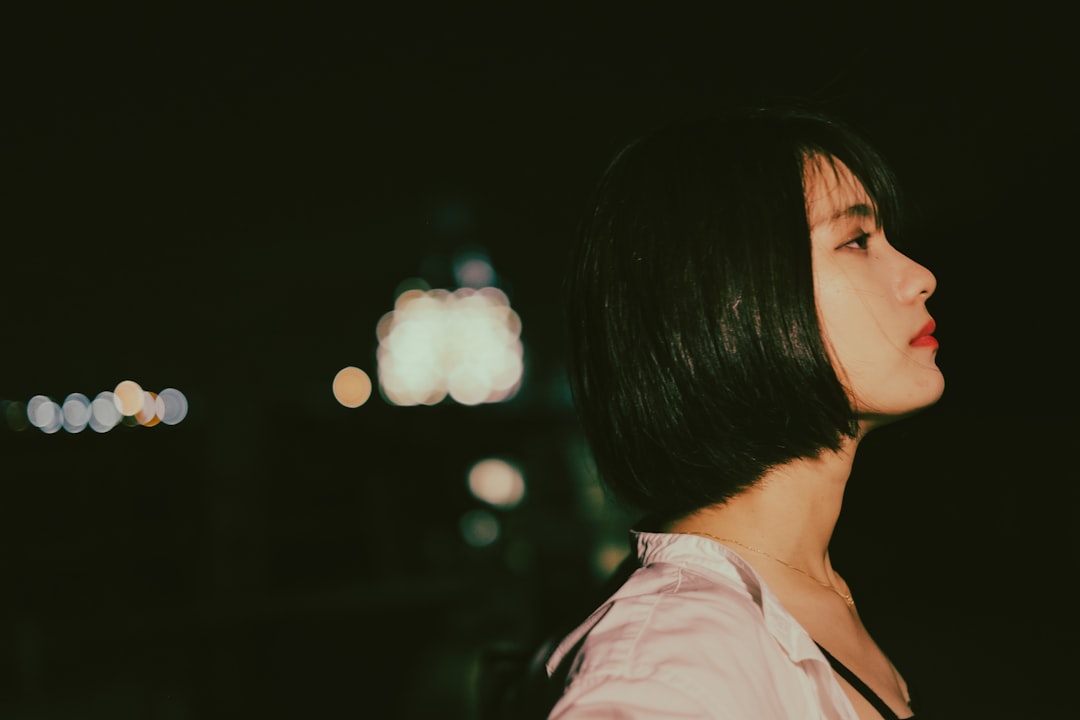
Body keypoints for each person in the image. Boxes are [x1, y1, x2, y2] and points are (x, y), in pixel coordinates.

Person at [543, 106, 942, 719]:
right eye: (856, 241)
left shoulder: (808, 587)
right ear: (736, 300)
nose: (920, 277)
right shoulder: (677, 657)